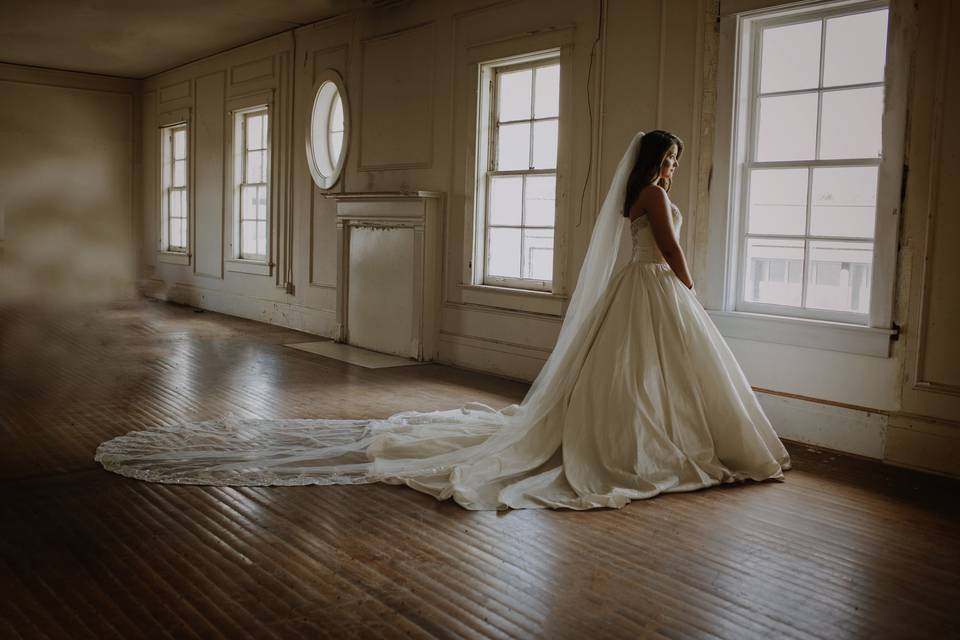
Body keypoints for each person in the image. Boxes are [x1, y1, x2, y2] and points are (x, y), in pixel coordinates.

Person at [96, 130, 790, 511]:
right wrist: (692, 288)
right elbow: (669, 251)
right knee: (651, 376)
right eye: (669, 159)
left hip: (630, 295)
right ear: (655, 162)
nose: (671, 168)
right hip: (656, 290)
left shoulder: (630, 197)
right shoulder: (658, 201)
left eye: (671, 162)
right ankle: (657, 446)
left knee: (631, 377)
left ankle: (643, 436)